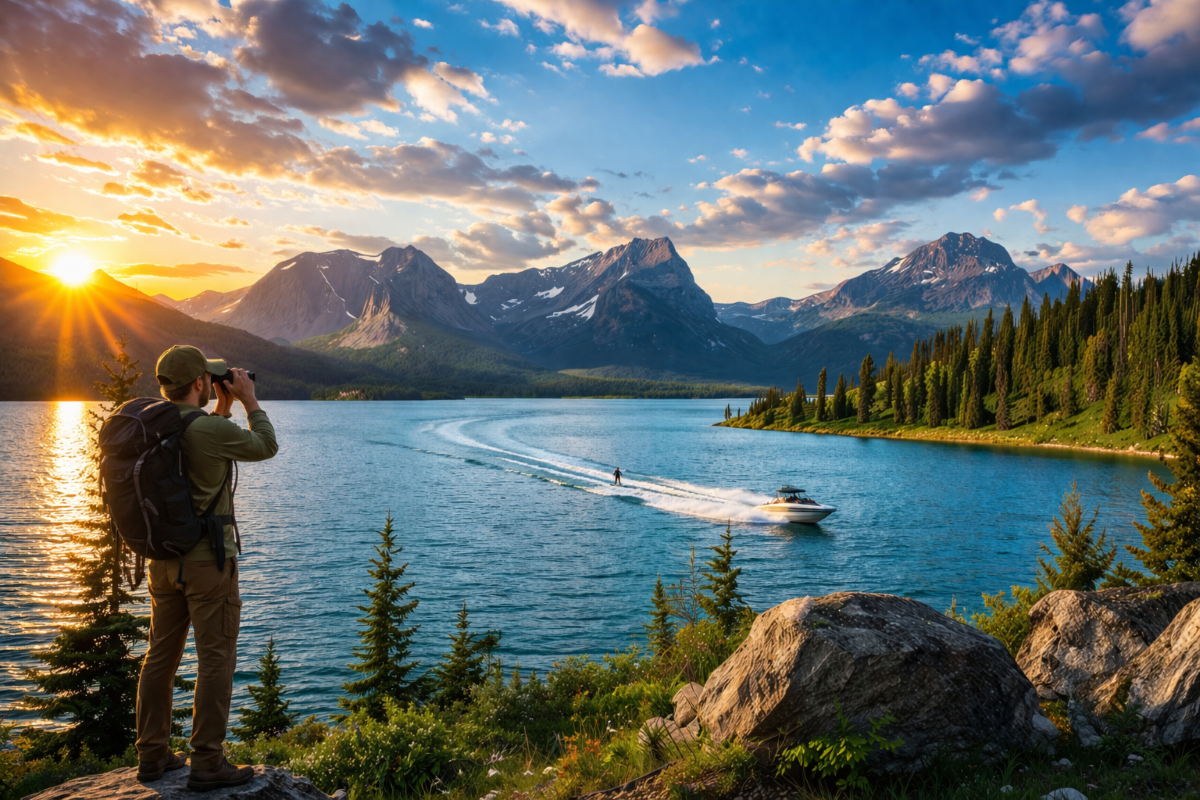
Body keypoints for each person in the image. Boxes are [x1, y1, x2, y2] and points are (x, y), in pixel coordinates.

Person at [135, 345, 278, 790]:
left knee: (160, 656)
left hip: (162, 562)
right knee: (216, 659)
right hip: (207, 564)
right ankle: (207, 762)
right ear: (199, 382)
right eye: (209, 380)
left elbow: (200, 434)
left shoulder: (155, 424)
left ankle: (153, 755)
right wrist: (249, 400)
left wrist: (223, 405)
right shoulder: (210, 431)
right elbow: (265, 446)